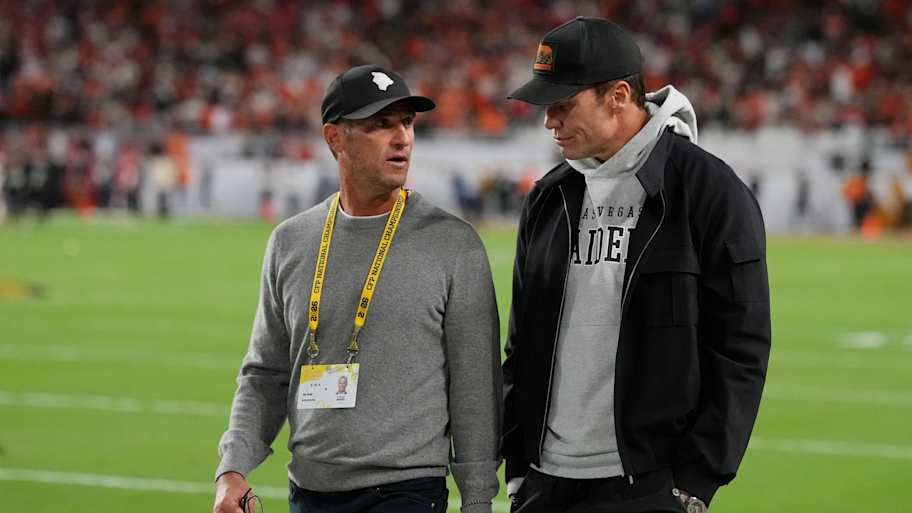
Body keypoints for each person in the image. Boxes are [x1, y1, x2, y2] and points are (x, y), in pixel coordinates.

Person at [502, 17, 770, 513]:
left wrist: (694, 482)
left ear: (619, 96)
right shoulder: (547, 199)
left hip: (649, 486)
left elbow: (740, 347)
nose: (548, 121)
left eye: (563, 104)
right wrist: (518, 465)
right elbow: (521, 346)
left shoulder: (710, 191)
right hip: (543, 484)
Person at [213, 65, 502, 513]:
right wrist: (232, 470)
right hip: (308, 491)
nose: (402, 138)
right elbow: (265, 373)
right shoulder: (291, 242)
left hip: (405, 492)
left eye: (407, 122)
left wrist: (478, 500)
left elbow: (476, 388)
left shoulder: (453, 244)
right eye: (380, 124)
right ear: (335, 138)